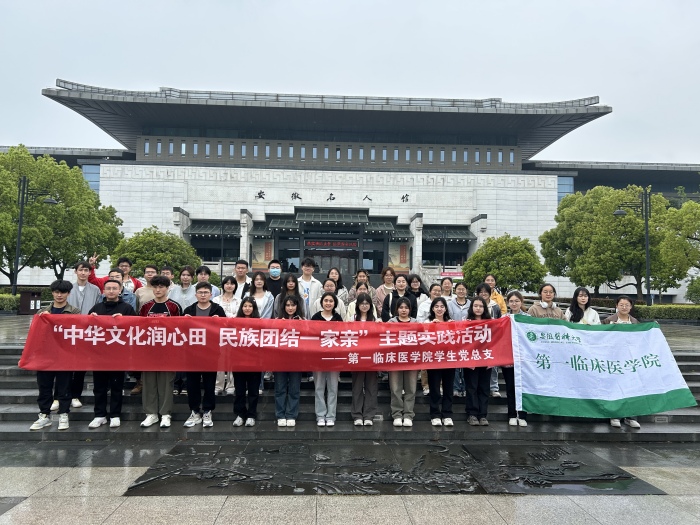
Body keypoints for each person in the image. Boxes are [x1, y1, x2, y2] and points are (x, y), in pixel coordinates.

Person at [29, 280, 81, 431]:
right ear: (52, 293)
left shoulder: (74, 311)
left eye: (63, 292)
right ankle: (44, 415)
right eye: (57, 292)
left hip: (65, 355)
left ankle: (64, 414)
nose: (59, 295)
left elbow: (76, 331)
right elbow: (35, 333)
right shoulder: (42, 312)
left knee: (64, 386)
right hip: (45, 356)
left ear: (68, 294)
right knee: (44, 387)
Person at [87, 279, 137, 429]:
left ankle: (115, 415)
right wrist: (91, 319)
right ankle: (99, 415)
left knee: (117, 386)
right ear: (103, 291)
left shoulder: (127, 308)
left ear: (120, 290)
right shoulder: (96, 308)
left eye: (114, 288)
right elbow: (86, 329)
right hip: (99, 354)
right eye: (108, 288)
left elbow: (135, 328)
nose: (111, 291)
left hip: (118, 354)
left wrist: (123, 321)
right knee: (99, 387)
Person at [139, 275, 182, 428]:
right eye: (155, 287)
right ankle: (151, 414)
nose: (158, 290)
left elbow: (179, 329)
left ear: (167, 288)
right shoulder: (146, 307)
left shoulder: (174, 307)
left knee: (166, 384)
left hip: (167, 352)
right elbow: (139, 328)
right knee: (149, 383)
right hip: (149, 351)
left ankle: (165, 414)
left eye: (161, 287)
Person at [182, 282, 226, 428]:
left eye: (206, 292)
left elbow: (225, 328)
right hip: (192, 353)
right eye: (200, 292)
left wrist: (219, 322)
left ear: (211, 294)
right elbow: (181, 331)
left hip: (211, 353)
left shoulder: (217, 309)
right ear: (195, 294)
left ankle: (207, 410)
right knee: (192, 384)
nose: (203, 295)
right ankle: (194, 411)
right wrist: (184, 321)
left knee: (209, 383)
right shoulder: (189, 310)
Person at [66, 260, 102, 409]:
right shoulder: (68, 288)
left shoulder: (95, 290)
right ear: (75, 271)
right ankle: (61, 396)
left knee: (81, 366)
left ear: (89, 272)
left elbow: (98, 308)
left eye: (86, 270)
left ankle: (76, 395)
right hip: (69, 331)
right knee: (66, 365)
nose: (83, 273)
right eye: (80, 270)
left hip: (88, 331)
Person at [602, 295, 641, 429]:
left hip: (630, 361)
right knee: (615, 388)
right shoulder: (608, 321)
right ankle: (615, 416)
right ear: (616, 306)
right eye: (621, 305)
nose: (624, 307)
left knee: (631, 388)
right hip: (613, 360)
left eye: (627, 305)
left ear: (631, 307)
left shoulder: (635, 322)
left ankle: (631, 417)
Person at [311, 292, 343, 426]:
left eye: (331, 301)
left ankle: (331, 416)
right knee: (319, 387)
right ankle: (320, 415)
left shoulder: (338, 318)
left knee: (333, 388)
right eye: (326, 301)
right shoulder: (315, 317)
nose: (328, 303)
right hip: (318, 358)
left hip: (334, 358)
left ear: (334, 303)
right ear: (321, 302)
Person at [387, 297, 419, 427]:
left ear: (410, 309)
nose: (404, 310)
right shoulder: (390, 322)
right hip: (395, 359)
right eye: (401, 307)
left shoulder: (416, 323)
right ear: (397, 309)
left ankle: (408, 415)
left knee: (411, 388)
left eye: (406, 307)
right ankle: (397, 414)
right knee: (395, 388)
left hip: (412, 360)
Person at [425, 297, 455, 426]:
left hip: (449, 359)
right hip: (434, 360)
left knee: (448, 388)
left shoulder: (451, 323)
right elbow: (423, 340)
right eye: (436, 306)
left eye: (442, 306)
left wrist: (453, 327)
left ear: (446, 309)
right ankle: (435, 414)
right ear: (432, 308)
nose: (439, 309)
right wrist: (431, 326)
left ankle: (447, 414)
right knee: (435, 388)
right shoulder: (427, 322)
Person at [274, 295, 304, 427]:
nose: (290, 308)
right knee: (280, 389)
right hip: (280, 360)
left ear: (297, 306)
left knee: (294, 389)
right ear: (283, 307)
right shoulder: (277, 321)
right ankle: (280, 414)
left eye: (293, 305)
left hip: (296, 360)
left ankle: (291, 414)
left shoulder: (303, 321)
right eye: (287, 305)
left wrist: (304, 325)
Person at [464, 297, 494, 426]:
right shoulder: (466, 322)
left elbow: (495, 342)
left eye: (481, 306)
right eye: (475, 306)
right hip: (470, 360)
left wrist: (492, 360)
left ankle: (482, 415)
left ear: (485, 308)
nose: (478, 308)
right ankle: (472, 414)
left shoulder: (491, 323)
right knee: (471, 388)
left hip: (486, 359)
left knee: (484, 388)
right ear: (471, 307)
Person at [232, 297, 262, 427]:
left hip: (255, 362)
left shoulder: (260, 323)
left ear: (254, 308)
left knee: (253, 391)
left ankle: (251, 415)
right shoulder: (235, 322)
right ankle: (240, 414)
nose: (247, 308)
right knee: (239, 390)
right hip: (238, 361)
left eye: (250, 306)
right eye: (245, 306)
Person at [350, 292, 379, 426]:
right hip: (357, 357)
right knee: (357, 386)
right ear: (357, 305)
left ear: (370, 305)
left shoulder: (375, 319)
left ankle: (369, 415)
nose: (364, 306)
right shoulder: (352, 318)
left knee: (371, 386)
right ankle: (357, 415)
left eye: (367, 303)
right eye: (362, 303)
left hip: (372, 357)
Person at [213, 275, 240, 395]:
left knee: (232, 359)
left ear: (235, 286)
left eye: (232, 284)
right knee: (219, 359)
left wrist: (225, 318)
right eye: (227, 283)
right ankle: (218, 385)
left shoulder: (239, 300)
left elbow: (238, 316)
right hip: (218, 333)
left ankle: (231, 385)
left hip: (233, 333)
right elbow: (215, 315)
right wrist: (228, 318)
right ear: (223, 285)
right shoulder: (216, 300)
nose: (229, 286)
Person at [505, 291, 528, 426]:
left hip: (524, 359)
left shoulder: (528, 318)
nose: (514, 303)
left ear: (521, 302)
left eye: (517, 301)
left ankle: (522, 415)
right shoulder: (504, 318)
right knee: (510, 387)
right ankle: (512, 414)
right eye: (511, 301)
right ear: (508, 303)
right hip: (509, 358)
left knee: (523, 388)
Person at [475, 283, 502, 397]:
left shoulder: (495, 306)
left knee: (493, 364)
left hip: (492, 340)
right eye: (481, 292)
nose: (483, 294)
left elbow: (500, 322)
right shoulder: (474, 305)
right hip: (476, 342)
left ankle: (494, 387)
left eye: (485, 292)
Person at [417, 283, 443, 396]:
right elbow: (419, 321)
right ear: (430, 292)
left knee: (441, 362)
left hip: (441, 340)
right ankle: (426, 385)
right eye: (434, 290)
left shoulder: (444, 303)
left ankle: (440, 385)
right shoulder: (424, 305)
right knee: (426, 363)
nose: (436, 292)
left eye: (439, 291)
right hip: (427, 337)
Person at [448, 282, 471, 399]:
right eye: (459, 289)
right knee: (455, 364)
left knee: (467, 364)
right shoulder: (449, 304)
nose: (461, 291)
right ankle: (456, 388)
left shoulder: (471, 304)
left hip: (468, 338)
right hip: (454, 338)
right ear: (455, 290)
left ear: (466, 291)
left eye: (463, 289)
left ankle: (466, 388)